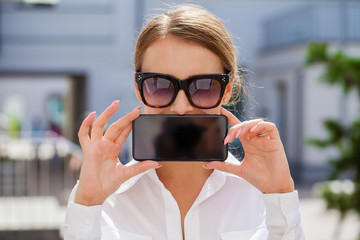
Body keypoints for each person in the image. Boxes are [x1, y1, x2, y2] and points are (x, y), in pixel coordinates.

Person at [64, 4, 304, 239]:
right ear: (139, 89)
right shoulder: (103, 195)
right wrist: (88, 203)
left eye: (203, 86)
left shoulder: (263, 194)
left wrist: (279, 193)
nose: (180, 107)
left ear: (227, 90)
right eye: (158, 85)